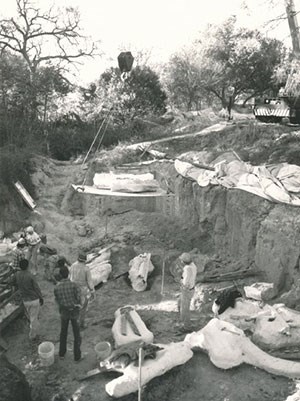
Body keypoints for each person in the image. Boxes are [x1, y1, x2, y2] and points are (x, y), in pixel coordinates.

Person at [54, 265, 82, 362]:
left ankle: (62, 353)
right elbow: (79, 298)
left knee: (63, 332)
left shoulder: (57, 287)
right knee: (76, 334)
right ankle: (77, 357)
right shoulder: (74, 285)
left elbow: (57, 300)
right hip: (74, 311)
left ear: (60, 275)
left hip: (64, 312)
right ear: (68, 274)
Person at [14, 259, 44, 341]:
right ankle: (33, 336)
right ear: (27, 266)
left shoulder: (17, 274)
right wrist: (41, 297)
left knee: (31, 315)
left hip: (25, 300)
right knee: (33, 318)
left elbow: (14, 284)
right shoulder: (30, 275)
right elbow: (36, 288)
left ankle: (33, 330)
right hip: (33, 299)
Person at [69, 252, 95, 329]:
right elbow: (89, 281)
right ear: (84, 260)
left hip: (73, 288)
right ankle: (81, 324)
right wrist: (92, 291)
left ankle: (74, 321)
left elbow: (70, 277)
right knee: (83, 307)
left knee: (75, 305)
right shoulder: (86, 269)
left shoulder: (73, 266)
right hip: (83, 289)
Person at [179, 252, 197, 327]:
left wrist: (181, 283)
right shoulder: (193, 265)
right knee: (184, 305)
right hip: (192, 288)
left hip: (187, 289)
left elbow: (186, 282)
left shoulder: (187, 268)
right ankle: (184, 321)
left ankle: (185, 325)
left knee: (185, 308)